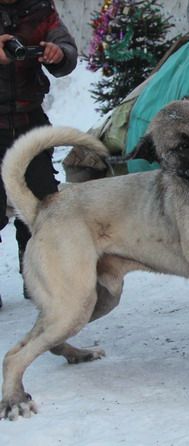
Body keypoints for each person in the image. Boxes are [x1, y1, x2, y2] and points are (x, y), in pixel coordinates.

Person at [0, 0, 77, 308]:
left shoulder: (38, 8)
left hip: (29, 123)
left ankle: (36, 274)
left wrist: (59, 55)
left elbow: (65, 46)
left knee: (41, 204)